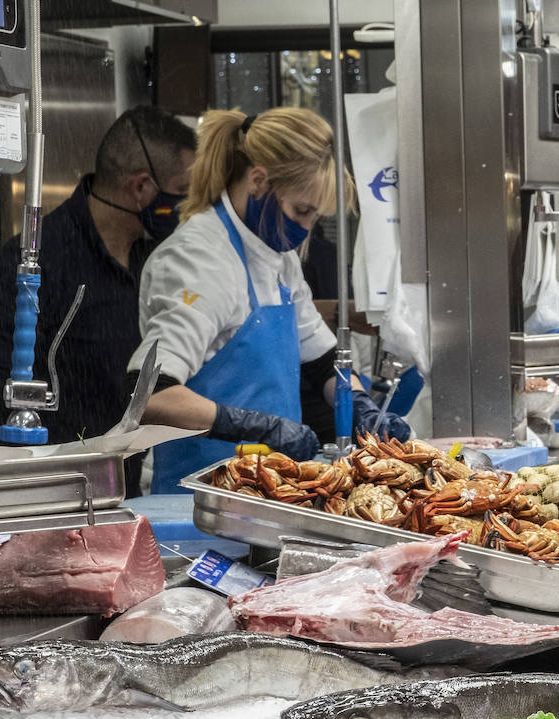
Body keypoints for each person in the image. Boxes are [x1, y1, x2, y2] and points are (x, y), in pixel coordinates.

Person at [130, 107, 409, 494]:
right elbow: (148, 395)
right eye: (302, 210)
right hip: (198, 501)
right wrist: (254, 426)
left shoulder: (277, 257)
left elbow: (323, 362)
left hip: (270, 494)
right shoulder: (199, 258)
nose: (307, 227)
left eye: (316, 216)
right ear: (258, 180)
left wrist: (361, 405)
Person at [0, 106, 195, 452]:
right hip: (55, 487)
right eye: (181, 191)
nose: (187, 206)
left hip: (124, 483)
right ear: (142, 187)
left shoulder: (159, 260)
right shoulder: (31, 267)